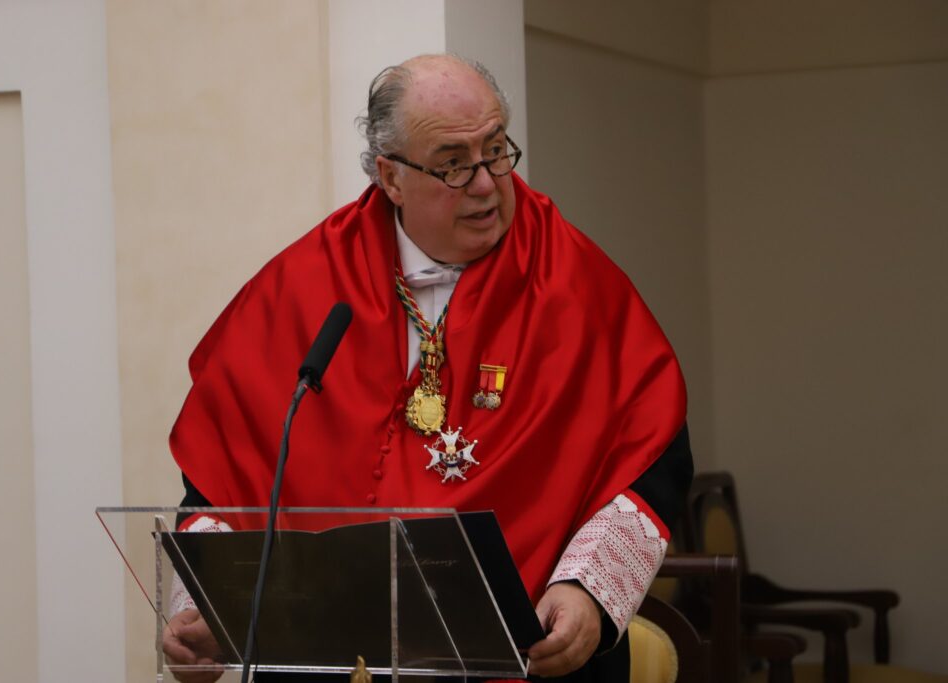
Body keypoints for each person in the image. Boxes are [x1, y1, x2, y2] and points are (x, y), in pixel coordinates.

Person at [164, 54, 692, 682]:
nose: (485, 184)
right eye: (453, 164)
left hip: (524, 656)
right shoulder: (299, 290)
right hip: (330, 659)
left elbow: (652, 455)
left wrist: (587, 592)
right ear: (390, 176)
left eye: (495, 151)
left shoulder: (577, 284)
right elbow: (218, 475)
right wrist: (207, 615)